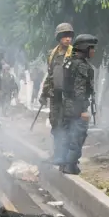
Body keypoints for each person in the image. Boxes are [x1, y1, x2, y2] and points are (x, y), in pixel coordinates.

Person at [61, 34, 97, 174]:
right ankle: (71, 166)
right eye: (91, 48)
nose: (93, 51)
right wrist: (83, 110)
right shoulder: (82, 65)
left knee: (67, 135)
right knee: (77, 136)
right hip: (76, 107)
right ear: (84, 48)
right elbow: (79, 89)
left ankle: (64, 163)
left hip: (67, 105)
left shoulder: (69, 61)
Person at [39, 22, 75, 166]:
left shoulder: (75, 54)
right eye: (64, 36)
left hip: (69, 97)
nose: (68, 39)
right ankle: (57, 154)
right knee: (56, 124)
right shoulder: (52, 54)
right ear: (59, 37)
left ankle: (65, 157)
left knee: (67, 126)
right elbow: (50, 76)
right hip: (55, 96)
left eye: (69, 36)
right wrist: (43, 94)